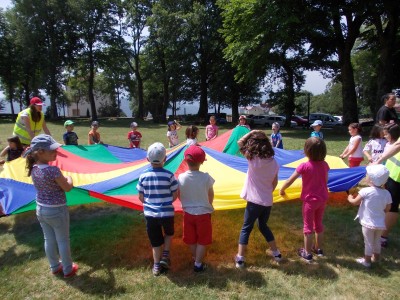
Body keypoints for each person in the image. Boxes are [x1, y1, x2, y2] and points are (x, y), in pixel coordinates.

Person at [23, 134, 78, 278]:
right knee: (63, 240)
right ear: (40, 152)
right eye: (52, 151)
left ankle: (54, 266)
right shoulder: (52, 170)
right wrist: (70, 179)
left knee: (48, 239)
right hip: (57, 210)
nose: (56, 153)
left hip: (40, 209)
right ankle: (68, 269)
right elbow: (67, 187)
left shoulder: (34, 169)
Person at [235, 130, 282, 269]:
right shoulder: (274, 163)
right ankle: (277, 254)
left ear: (253, 145)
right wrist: (266, 192)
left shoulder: (252, 159)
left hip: (254, 201)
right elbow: (274, 183)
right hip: (267, 202)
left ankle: (240, 258)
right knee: (263, 226)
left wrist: (253, 131)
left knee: (246, 228)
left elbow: (240, 143)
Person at [280, 137, 329, 263]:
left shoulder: (304, 166)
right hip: (322, 199)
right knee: (318, 224)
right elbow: (326, 180)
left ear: (307, 150)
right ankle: (319, 249)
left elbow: (289, 180)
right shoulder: (325, 165)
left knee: (308, 227)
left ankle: (307, 253)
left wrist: (282, 189)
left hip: (310, 202)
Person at [136, 142, 179, 276]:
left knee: (155, 242)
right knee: (169, 233)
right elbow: (174, 194)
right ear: (165, 159)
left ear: (147, 159)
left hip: (150, 215)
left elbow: (141, 196)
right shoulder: (169, 175)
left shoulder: (143, 176)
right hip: (167, 212)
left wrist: (148, 203)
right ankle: (165, 255)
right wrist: (167, 201)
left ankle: (156, 266)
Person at [178, 145, 215, 272]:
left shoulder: (181, 177)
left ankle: (195, 258)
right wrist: (209, 204)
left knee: (191, 239)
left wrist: (185, 202)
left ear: (186, 161)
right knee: (202, 240)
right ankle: (198, 263)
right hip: (203, 213)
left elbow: (179, 194)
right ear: (201, 162)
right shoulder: (206, 177)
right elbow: (211, 194)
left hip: (188, 213)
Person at [347, 164, 392, 267]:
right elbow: (388, 209)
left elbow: (355, 202)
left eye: (367, 175)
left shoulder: (365, 191)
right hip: (380, 223)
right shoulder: (387, 194)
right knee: (376, 241)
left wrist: (349, 197)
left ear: (371, 179)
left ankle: (367, 261)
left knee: (368, 242)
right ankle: (376, 258)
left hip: (368, 223)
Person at [375, 123, 400, 248]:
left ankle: (383, 237)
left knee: (393, 206)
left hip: (398, 177)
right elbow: (396, 145)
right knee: (389, 204)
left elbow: (398, 146)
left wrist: (379, 160)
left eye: (386, 134)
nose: (385, 137)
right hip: (393, 174)